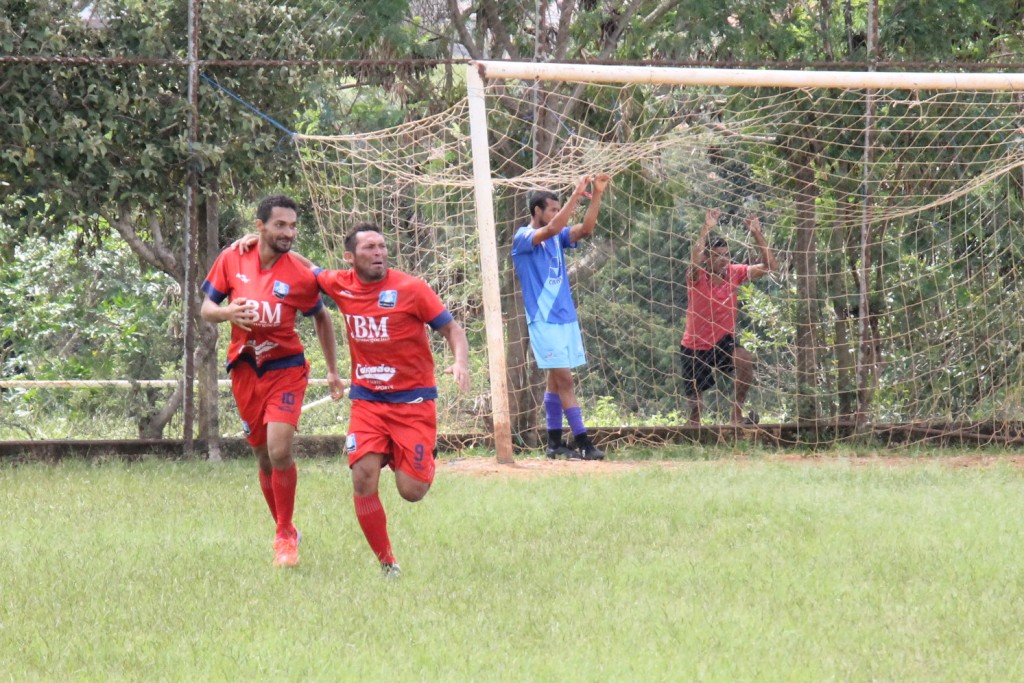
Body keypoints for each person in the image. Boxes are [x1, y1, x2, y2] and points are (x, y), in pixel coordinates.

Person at [236, 222, 470, 578]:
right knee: (362, 477)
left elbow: (452, 329)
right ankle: (388, 564)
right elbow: (308, 267)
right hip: (367, 401)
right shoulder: (340, 284)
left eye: (382, 247)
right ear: (350, 257)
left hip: (413, 403)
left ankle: (408, 455)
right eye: (369, 248)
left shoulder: (412, 289)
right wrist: (266, 240)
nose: (379, 253)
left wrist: (460, 362)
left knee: (412, 491)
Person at [201, 195, 344, 568]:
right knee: (263, 456)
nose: (289, 232)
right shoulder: (232, 258)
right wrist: (227, 312)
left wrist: (332, 370)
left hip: (286, 368)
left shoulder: (299, 272)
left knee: (279, 450)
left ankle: (283, 536)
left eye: (293, 226)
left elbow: (322, 316)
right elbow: (206, 308)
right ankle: (287, 528)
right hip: (246, 368)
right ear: (260, 226)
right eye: (280, 225)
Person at [511, 174, 611, 460]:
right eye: (552, 209)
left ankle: (554, 443)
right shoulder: (523, 237)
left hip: (565, 318)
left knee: (555, 381)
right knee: (566, 381)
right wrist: (576, 195)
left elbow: (586, 229)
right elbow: (554, 227)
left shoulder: (557, 237)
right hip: (543, 321)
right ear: (537, 211)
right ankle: (584, 443)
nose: (557, 214)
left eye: (558, 209)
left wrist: (596, 193)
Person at [680, 207, 776, 425]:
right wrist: (706, 228)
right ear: (707, 259)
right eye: (717, 256)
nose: (723, 260)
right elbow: (695, 257)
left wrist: (757, 233)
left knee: (745, 360)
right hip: (695, 344)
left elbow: (771, 266)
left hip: (722, 341)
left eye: (726, 255)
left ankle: (736, 416)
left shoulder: (734, 272)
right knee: (696, 408)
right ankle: (694, 428)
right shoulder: (696, 276)